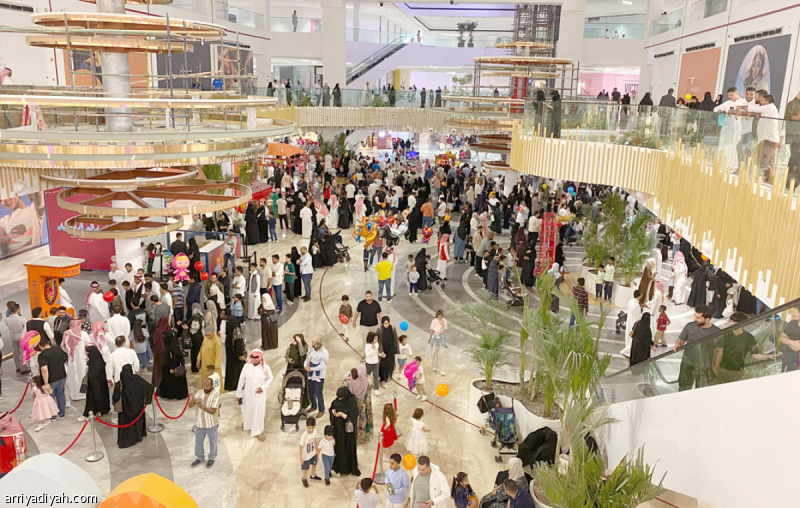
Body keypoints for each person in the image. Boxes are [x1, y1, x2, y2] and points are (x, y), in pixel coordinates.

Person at [715, 311, 775, 383]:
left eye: (735, 322)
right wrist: (715, 367)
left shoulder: (748, 338)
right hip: (722, 368)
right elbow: (717, 350)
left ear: (743, 324)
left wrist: (768, 356)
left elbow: (755, 354)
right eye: (731, 321)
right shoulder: (725, 334)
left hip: (737, 371)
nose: (732, 324)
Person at [675, 305, 720, 390]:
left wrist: (715, 368)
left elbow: (719, 351)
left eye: (698, 318)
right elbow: (680, 340)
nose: (695, 319)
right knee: (684, 388)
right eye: (695, 316)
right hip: (688, 363)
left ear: (707, 319)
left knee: (702, 389)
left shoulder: (716, 332)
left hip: (705, 366)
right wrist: (678, 344)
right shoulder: (690, 326)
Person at [236, 349, 273, 441]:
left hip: (259, 395)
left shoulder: (265, 367)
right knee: (248, 410)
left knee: (259, 412)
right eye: (253, 358)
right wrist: (239, 394)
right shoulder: (246, 367)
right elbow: (241, 380)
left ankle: (258, 431)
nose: (254, 360)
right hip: (248, 393)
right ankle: (248, 424)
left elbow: (270, 378)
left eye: (256, 359)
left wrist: (263, 388)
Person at [113, 364, 153, 448]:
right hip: (138, 408)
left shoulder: (120, 383)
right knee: (137, 421)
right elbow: (149, 387)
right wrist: (146, 399)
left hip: (125, 411)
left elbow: (115, 397)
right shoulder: (137, 379)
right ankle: (139, 435)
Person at [190, 375, 220, 468]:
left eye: (207, 386)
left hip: (211, 423)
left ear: (212, 385)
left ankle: (212, 458)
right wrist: (193, 401)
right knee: (198, 442)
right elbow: (190, 406)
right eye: (204, 386)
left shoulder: (216, 394)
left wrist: (202, 406)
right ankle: (199, 457)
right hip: (200, 422)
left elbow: (213, 411)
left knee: (212, 442)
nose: (205, 388)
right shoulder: (200, 392)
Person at [330, 386, 360, 476]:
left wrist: (342, 415)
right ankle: (340, 467)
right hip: (338, 431)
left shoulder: (352, 404)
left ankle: (349, 468)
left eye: (341, 398)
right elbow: (331, 408)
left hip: (348, 433)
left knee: (348, 449)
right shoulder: (336, 402)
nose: (339, 399)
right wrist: (332, 412)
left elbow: (353, 417)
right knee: (339, 448)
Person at [37, 337, 68, 418]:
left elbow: (44, 369)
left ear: (40, 346)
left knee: (50, 397)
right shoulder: (58, 349)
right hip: (62, 375)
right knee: (61, 394)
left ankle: (53, 415)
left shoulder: (42, 355)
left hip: (51, 379)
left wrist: (45, 382)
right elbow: (65, 358)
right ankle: (62, 412)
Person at [81, 341, 110, 421]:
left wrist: (88, 374)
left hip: (95, 385)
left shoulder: (97, 363)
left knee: (94, 399)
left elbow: (94, 374)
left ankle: (93, 412)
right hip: (97, 385)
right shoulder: (97, 360)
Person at [61, 319, 88, 403]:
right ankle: (83, 394)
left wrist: (70, 353)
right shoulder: (83, 334)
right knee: (82, 374)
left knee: (72, 375)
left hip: (71, 359)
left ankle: (73, 394)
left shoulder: (67, 334)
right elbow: (88, 345)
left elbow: (63, 347)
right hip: (82, 358)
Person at [158, 330, 188, 400]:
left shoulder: (173, 346)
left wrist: (172, 367)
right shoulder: (169, 344)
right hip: (167, 366)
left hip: (172, 367)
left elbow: (176, 357)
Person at [305, 337, 329, 417]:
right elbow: (308, 358)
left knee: (318, 393)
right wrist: (306, 366)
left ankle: (321, 410)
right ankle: (313, 405)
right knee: (311, 391)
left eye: (313, 342)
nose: (312, 344)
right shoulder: (313, 349)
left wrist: (312, 369)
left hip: (319, 376)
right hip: (311, 375)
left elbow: (322, 365)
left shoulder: (324, 352)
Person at [223, 315, 246, 392]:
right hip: (235, 356)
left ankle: (230, 385)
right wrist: (241, 354)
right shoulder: (236, 331)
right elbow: (239, 344)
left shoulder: (230, 332)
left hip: (231, 356)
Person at [197, 326, 224, 391]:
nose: (208, 337)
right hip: (204, 363)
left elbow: (218, 355)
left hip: (212, 364)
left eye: (209, 335)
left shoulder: (217, 341)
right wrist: (198, 359)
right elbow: (202, 349)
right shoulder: (205, 338)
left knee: (213, 381)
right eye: (207, 335)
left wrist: (216, 368)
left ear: (213, 332)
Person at [378, 316, 399, 387]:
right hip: (384, 351)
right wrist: (381, 351)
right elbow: (379, 341)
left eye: (387, 323)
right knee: (383, 366)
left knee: (391, 364)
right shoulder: (380, 330)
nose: (386, 325)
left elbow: (395, 339)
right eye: (384, 323)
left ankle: (389, 375)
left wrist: (396, 349)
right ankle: (383, 379)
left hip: (391, 350)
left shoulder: (392, 328)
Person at [428, 310, 448, 376]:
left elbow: (444, 330)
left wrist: (442, 325)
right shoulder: (434, 321)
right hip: (435, 337)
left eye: (441, 317)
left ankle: (442, 370)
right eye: (438, 317)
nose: (440, 318)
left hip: (441, 337)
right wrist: (429, 338)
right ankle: (435, 366)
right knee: (434, 352)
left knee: (441, 354)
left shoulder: (444, 321)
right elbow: (432, 330)